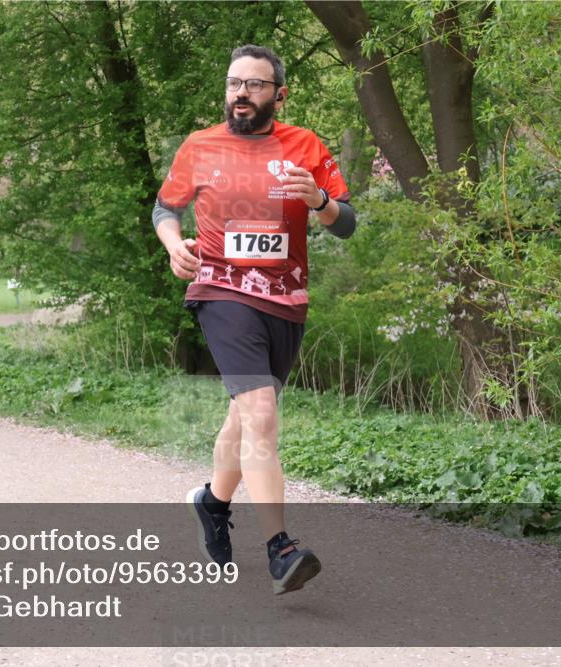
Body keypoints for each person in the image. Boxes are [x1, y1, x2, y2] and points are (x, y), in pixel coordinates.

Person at [154, 45, 356, 595]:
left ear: (279, 95)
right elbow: (165, 207)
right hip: (221, 290)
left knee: (245, 418)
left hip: (286, 300)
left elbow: (346, 223)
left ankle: (212, 503)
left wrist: (319, 201)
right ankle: (280, 548)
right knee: (261, 412)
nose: (241, 93)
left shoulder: (304, 145)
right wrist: (173, 245)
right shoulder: (200, 146)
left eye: (255, 84)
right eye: (234, 83)